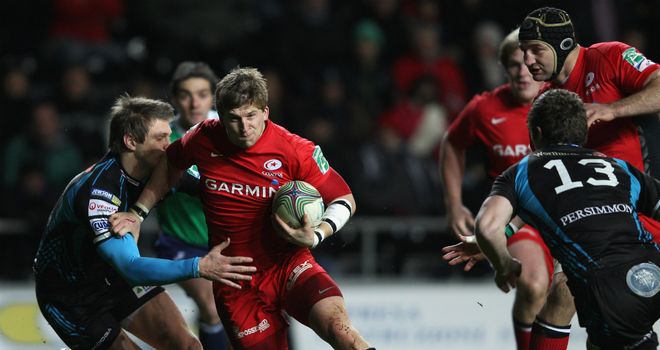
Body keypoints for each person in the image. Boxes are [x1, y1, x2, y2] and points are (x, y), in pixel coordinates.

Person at [109, 67, 374, 350]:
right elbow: (169, 165)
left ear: (265, 112)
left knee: (341, 330)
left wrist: (317, 234)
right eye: (234, 119)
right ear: (220, 116)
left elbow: (344, 198)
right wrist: (138, 212)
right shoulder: (202, 138)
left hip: (290, 266)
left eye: (251, 116)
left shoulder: (295, 149)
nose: (244, 128)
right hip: (236, 283)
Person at [33, 95, 256, 350]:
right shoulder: (98, 193)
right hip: (72, 297)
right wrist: (200, 266)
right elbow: (132, 267)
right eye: (160, 138)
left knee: (187, 346)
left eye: (169, 135)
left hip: (114, 278)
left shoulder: (165, 167)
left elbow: (224, 192)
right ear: (131, 141)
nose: (169, 145)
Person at [518, 6, 660, 348]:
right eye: (524, 52)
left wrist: (612, 109)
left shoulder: (610, 57)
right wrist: (497, 233)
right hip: (594, 231)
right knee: (562, 299)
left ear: (563, 43)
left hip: (641, 218)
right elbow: (542, 189)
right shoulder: (547, 103)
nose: (528, 61)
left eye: (536, 49)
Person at [475, 88, 660, 350]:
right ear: (583, 133)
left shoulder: (522, 171)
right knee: (563, 292)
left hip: (607, 286)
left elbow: (486, 226)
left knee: (574, 297)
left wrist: (504, 266)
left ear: (535, 134)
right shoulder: (616, 165)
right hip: (651, 268)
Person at [440, 28, 566, 350]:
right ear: (503, 67)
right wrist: (454, 203)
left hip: (564, 214)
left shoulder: (561, 101)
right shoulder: (485, 108)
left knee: (571, 296)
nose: (522, 72)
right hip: (517, 216)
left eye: (529, 63)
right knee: (535, 285)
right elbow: (452, 144)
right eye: (513, 64)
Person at [155, 61, 228, 349]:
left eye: (202, 94)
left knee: (242, 317)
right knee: (210, 305)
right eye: (186, 94)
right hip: (180, 242)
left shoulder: (231, 132)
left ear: (213, 98)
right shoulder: (161, 140)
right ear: (174, 99)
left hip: (227, 243)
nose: (194, 102)